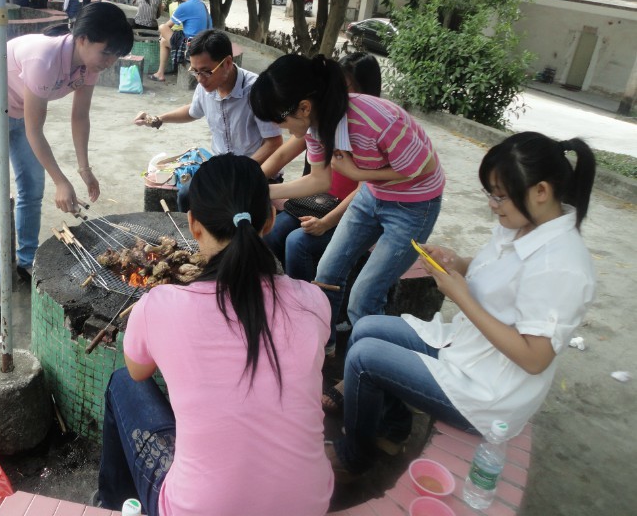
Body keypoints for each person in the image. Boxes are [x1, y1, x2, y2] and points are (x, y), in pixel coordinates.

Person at [328, 132, 596, 478]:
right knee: (365, 328)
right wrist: (458, 262)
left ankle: (355, 455)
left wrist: (462, 297)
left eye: (500, 197)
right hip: (467, 350)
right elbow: (498, 271)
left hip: (488, 392)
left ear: (541, 191)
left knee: (364, 359)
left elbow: (535, 357)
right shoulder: (524, 223)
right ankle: (392, 429)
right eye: (491, 194)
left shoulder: (561, 265)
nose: (492, 205)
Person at [97, 154, 333, 516]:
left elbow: (138, 371)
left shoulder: (160, 304)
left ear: (193, 224)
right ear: (270, 221)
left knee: (120, 384)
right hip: (307, 505)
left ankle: (114, 505)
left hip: (197, 510)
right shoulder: (313, 302)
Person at [250, 54, 444, 358]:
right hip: (373, 196)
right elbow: (318, 181)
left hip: (414, 204)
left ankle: (367, 365)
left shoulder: (377, 120)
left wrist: (357, 174)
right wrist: (259, 191)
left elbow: (423, 166)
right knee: (326, 273)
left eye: (280, 119)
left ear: (303, 107)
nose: (283, 128)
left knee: (364, 296)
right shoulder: (315, 126)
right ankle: (324, 345)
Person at [0, 2, 133, 322]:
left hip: (18, 113)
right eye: (106, 53)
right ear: (82, 38)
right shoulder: (44, 58)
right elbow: (34, 129)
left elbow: (80, 117)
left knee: (31, 188)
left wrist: (84, 170)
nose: (109, 63)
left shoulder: (88, 66)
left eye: (115, 56)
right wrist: (61, 180)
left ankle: (25, 260)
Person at [261, 53, 383, 286]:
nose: (338, 94)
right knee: (274, 232)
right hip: (319, 200)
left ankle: (309, 305)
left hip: (351, 211)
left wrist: (326, 222)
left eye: (346, 88)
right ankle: (281, 292)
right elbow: (282, 154)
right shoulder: (321, 121)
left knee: (297, 243)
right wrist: (253, 179)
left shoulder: (367, 130)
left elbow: (364, 190)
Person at [134, 29, 282, 211]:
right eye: (195, 71)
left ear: (227, 63)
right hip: (222, 169)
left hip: (257, 170)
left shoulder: (256, 91)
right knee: (186, 195)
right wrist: (158, 119)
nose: (200, 79)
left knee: (230, 214)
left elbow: (274, 142)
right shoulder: (206, 87)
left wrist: (241, 172)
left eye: (206, 72)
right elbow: (193, 110)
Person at [148, 0, 211, 82]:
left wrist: (162, 34)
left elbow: (167, 26)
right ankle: (160, 73)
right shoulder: (201, 4)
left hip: (191, 44)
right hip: (204, 41)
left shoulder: (184, 6)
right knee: (164, 42)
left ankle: (165, 68)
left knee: (162, 27)